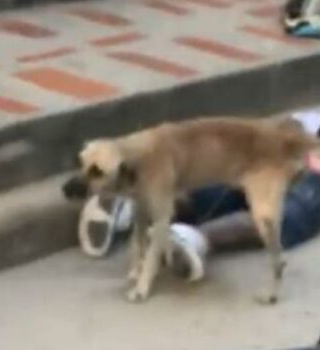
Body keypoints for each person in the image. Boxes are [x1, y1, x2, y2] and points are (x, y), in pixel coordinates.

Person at [77, 111, 320, 281]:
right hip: (290, 153)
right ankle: (146, 211)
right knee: (283, 209)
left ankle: (187, 234)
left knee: (284, 209)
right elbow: (295, 123)